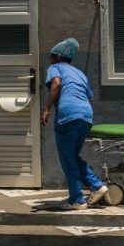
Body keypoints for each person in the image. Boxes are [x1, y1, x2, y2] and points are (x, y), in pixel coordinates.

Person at [42, 38, 108, 210]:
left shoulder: (55, 68)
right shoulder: (79, 73)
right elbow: (87, 95)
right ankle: (97, 185)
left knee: (67, 159)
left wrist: (47, 108)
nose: (49, 59)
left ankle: (77, 200)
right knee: (72, 156)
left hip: (68, 116)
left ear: (56, 57)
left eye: (51, 57)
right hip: (86, 116)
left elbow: (56, 84)